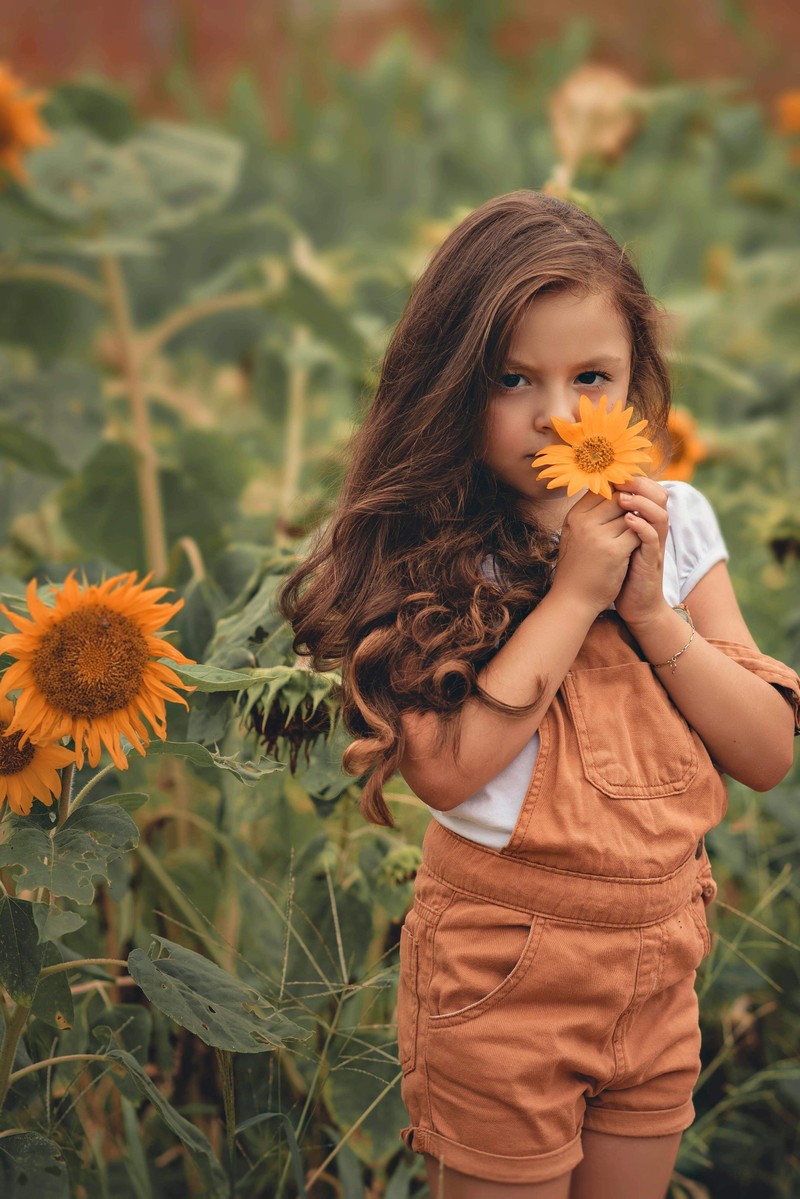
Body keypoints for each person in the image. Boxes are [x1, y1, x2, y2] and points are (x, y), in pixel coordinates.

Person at [278, 190, 800, 1199]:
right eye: (513, 378)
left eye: (590, 377)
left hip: (659, 953)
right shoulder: (431, 544)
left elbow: (768, 749)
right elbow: (444, 770)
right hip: (502, 962)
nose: (558, 414)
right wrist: (570, 596)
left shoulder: (674, 519)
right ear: (448, 386)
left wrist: (653, 618)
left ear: (632, 382)